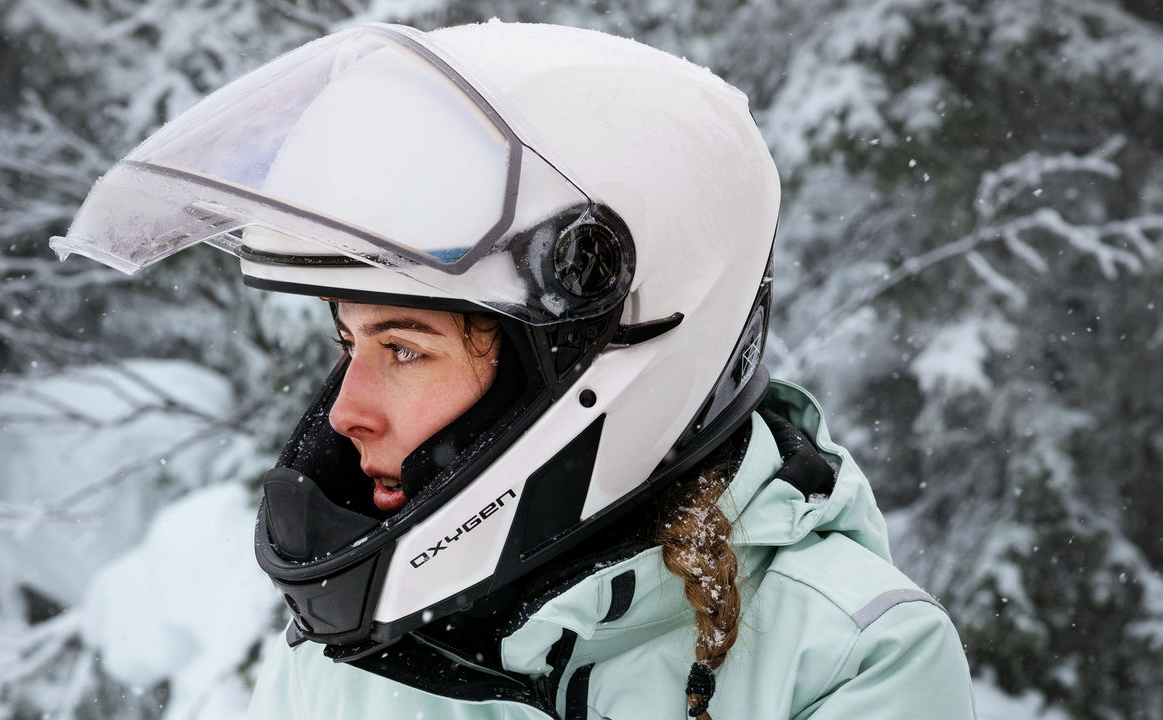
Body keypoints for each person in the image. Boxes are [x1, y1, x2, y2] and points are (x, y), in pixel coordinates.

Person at [52, 21, 977, 719]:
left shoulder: (851, 660)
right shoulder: (351, 666)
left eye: (404, 349)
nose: (345, 413)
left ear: (589, 362)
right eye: (349, 345)